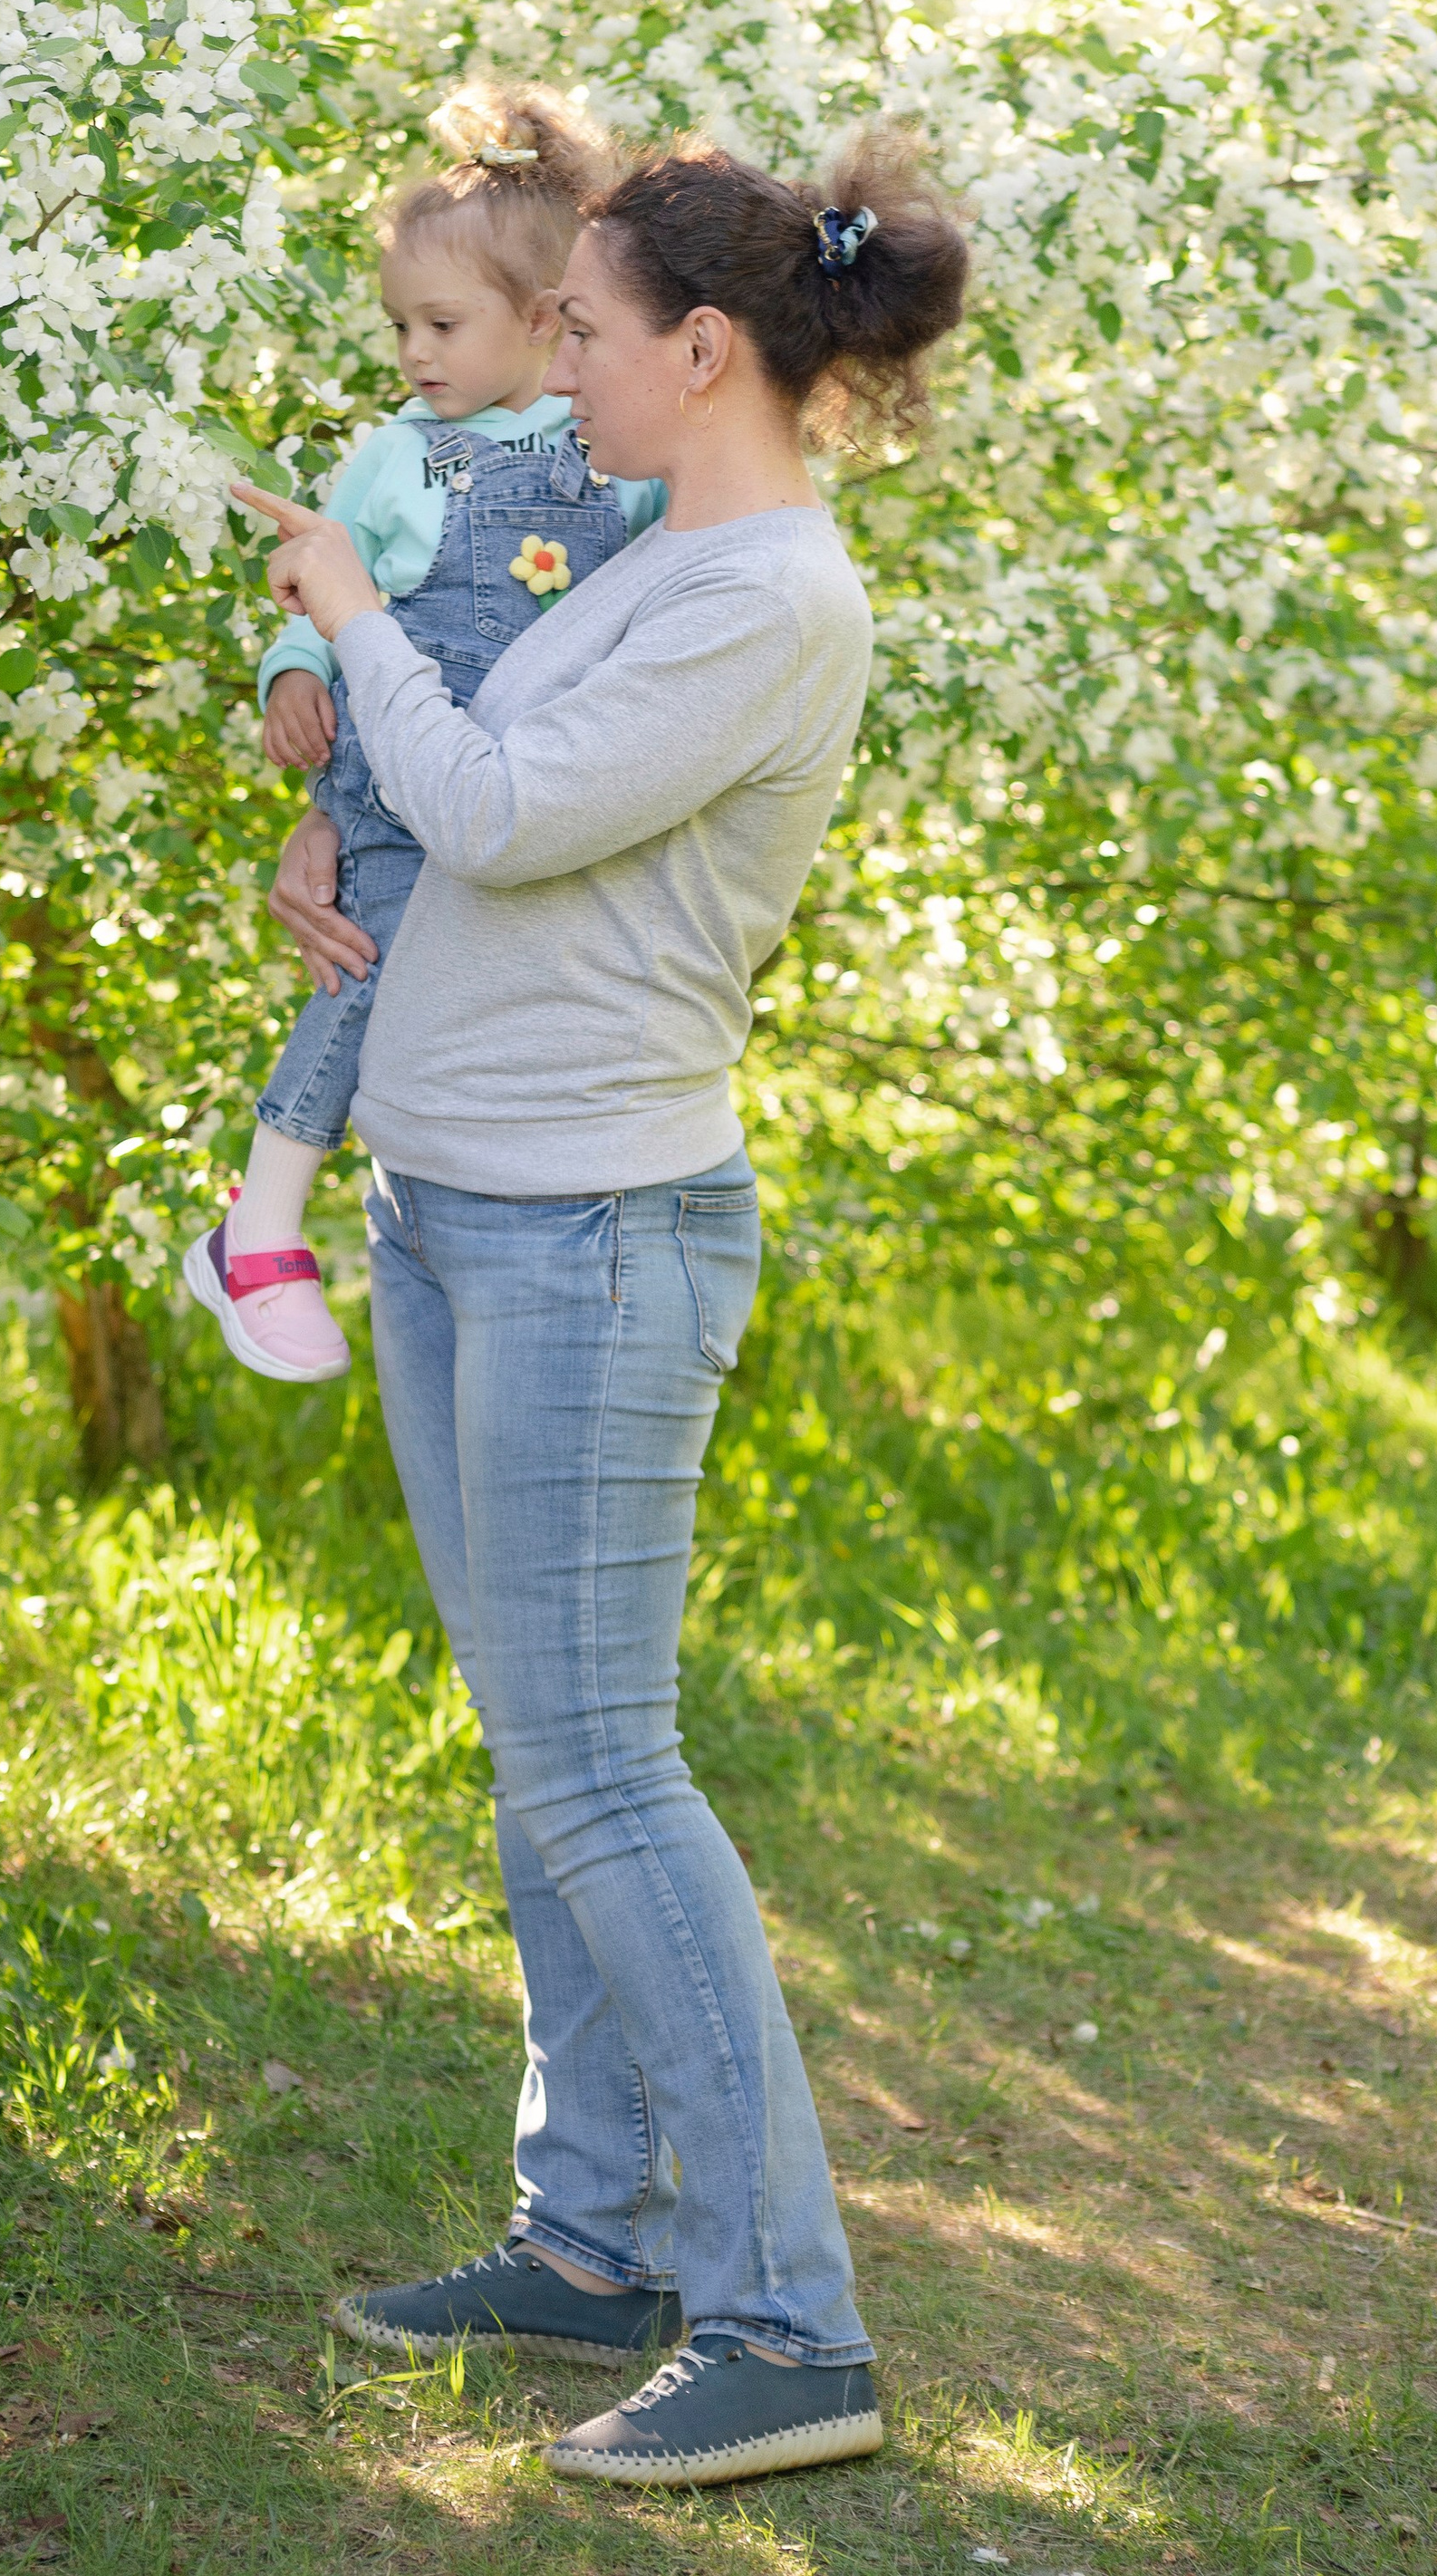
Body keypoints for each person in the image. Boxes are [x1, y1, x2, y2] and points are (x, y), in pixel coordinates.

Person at [232, 129, 969, 2489]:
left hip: (591, 1232)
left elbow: (523, 811)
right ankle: (597, 2239)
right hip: (462, 1207)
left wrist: (347, 612)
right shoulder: (661, 561)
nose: (549, 359)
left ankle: (786, 2323)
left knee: (605, 1776)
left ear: (700, 349)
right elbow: (453, 784)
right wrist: (329, 830)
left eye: (581, 327)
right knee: (542, 1765)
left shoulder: (769, 599)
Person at [183, 85, 662, 1380]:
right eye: (401, 325)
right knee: (366, 974)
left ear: (545, 319)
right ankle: (261, 1230)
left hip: (533, 789)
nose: (413, 354)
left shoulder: (616, 441)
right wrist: (293, 672)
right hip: (401, 779)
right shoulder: (399, 458)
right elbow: (321, 582)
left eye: (441, 325)